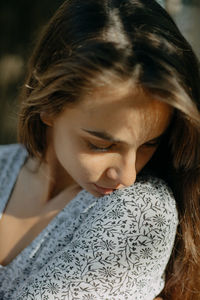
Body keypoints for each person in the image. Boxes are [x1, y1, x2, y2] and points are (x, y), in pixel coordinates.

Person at [0, 0, 199, 299]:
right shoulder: (3, 163)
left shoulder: (140, 212)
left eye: (149, 144)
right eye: (101, 144)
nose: (127, 176)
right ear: (48, 107)